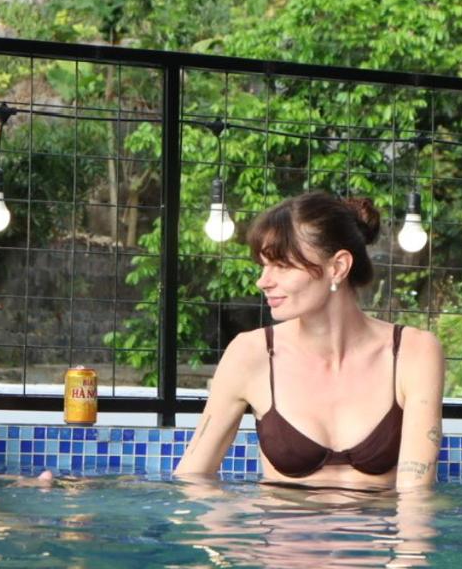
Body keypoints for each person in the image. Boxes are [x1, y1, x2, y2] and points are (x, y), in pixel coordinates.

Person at [175, 191, 445, 488]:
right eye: (264, 265)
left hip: (378, 519)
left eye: (282, 266)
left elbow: (415, 497)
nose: (263, 281)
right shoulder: (250, 354)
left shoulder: (414, 353)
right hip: (280, 518)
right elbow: (192, 477)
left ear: (338, 267)